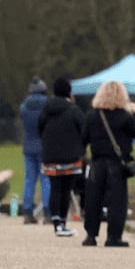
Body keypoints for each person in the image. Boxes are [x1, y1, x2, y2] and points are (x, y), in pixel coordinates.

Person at [81, 81, 135, 247]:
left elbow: (83, 139)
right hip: (117, 163)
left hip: (97, 162)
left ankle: (91, 235)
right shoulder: (124, 117)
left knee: (93, 199)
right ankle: (113, 237)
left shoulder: (92, 116)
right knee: (117, 201)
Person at [38, 77, 86, 237]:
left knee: (55, 188)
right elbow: (84, 131)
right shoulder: (74, 110)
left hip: (50, 155)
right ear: (69, 92)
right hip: (71, 156)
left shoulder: (46, 109)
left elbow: (40, 129)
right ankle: (62, 223)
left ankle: (56, 221)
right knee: (66, 190)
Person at [19, 77, 51, 224]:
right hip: (45, 145)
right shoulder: (48, 105)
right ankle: (47, 213)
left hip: (28, 145)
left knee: (29, 180)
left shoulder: (24, 106)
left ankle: (27, 212)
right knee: (46, 179)